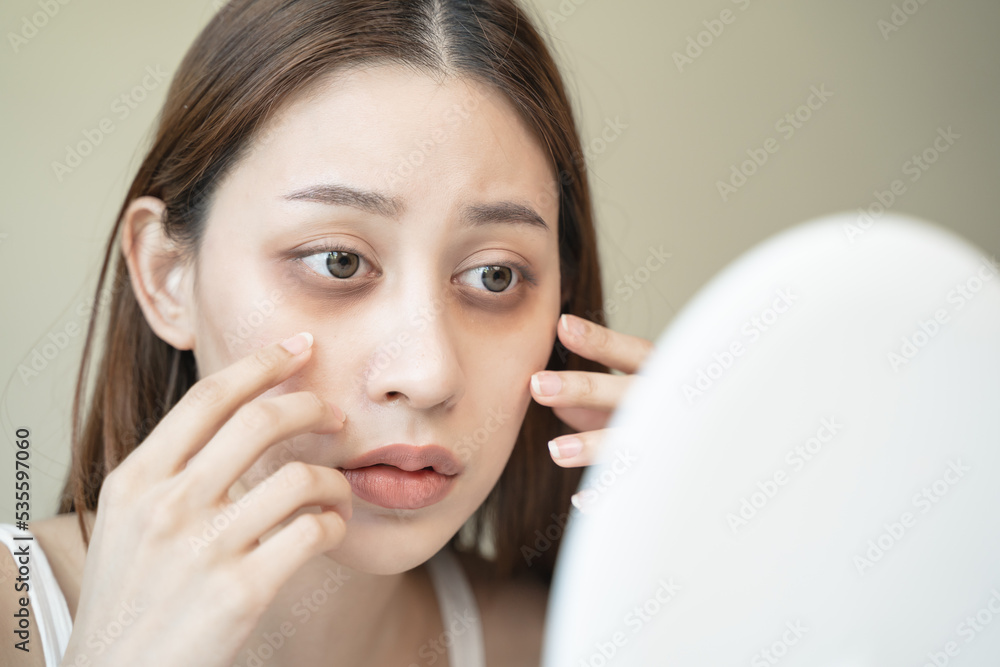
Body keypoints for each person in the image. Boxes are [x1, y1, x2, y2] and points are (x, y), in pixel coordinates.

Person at [1, 1, 654, 665]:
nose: (427, 374)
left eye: (492, 275)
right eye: (338, 261)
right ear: (168, 276)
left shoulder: (570, 641)